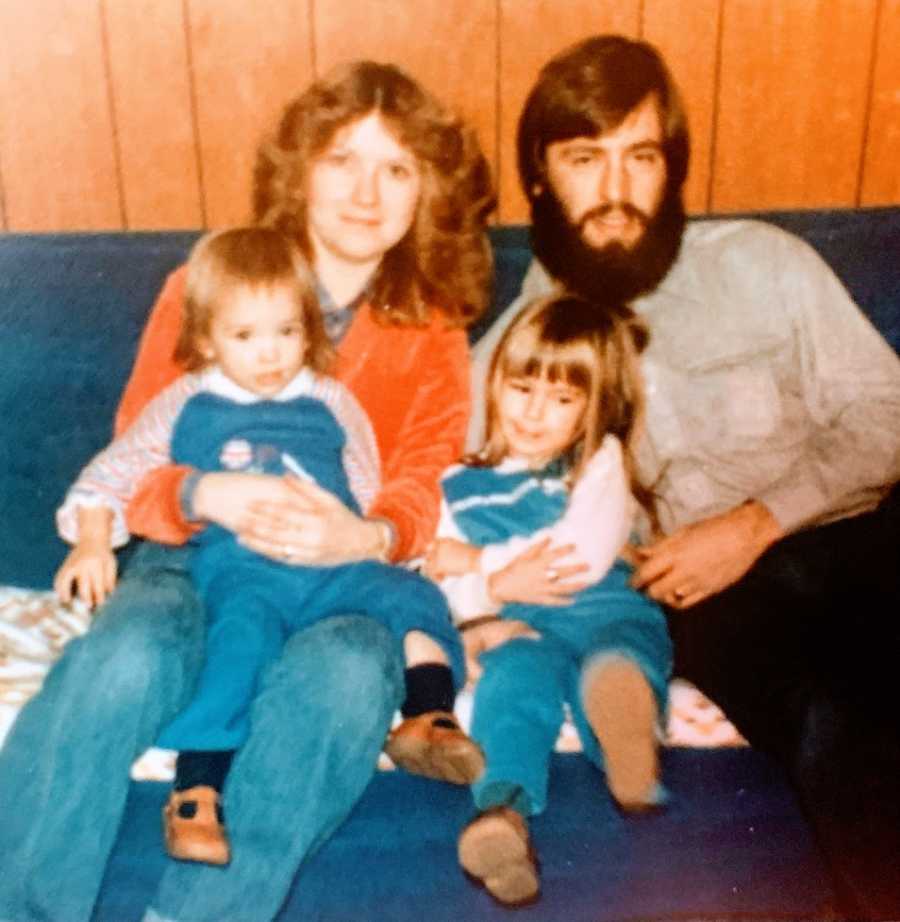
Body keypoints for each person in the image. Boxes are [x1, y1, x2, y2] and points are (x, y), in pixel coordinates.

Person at [0, 61, 493, 922]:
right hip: (188, 559)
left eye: (397, 168)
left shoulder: (435, 329)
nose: (366, 193)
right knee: (130, 653)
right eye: (343, 159)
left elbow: (418, 485)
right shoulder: (204, 284)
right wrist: (201, 493)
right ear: (301, 167)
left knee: (343, 677)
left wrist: (367, 538)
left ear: (428, 192)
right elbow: (132, 459)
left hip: (337, 588)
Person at [469, 34, 900, 920]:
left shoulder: (765, 264)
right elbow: (434, 495)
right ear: (542, 179)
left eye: (642, 157)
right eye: (586, 160)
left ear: (675, 169)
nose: (617, 189)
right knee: (827, 718)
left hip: (860, 533)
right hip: (706, 597)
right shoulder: (513, 356)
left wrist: (754, 523)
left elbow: (887, 420)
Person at [53, 226, 481, 866]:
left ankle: (427, 717)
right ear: (206, 339)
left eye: (286, 331)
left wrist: (362, 539)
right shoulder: (187, 401)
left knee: (412, 595)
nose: (270, 353)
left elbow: (364, 484)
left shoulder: (332, 400)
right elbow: (114, 473)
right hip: (243, 567)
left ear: (307, 329)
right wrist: (90, 543)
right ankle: (196, 792)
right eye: (245, 336)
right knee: (238, 648)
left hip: (329, 567)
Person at [426, 294, 672, 905]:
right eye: (521, 388)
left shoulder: (598, 463)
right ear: (496, 383)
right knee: (512, 686)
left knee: (619, 652)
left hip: (603, 608)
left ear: (594, 407)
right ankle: (503, 815)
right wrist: (488, 592)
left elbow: (580, 558)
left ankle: (624, 734)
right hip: (518, 624)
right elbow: (437, 568)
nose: (534, 413)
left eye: (562, 399)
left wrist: (481, 564)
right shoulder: (459, 482)